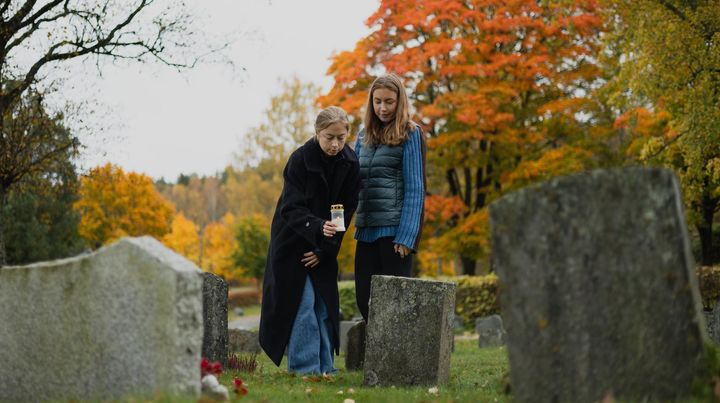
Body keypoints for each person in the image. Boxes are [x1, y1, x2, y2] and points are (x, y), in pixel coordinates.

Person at [259, 106, 360, 376]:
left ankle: (326, 367)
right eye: (329, 137)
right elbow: (290, 208)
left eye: (341, 137)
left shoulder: (350, 163)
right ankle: (306, 369)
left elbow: (346, 211)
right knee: (301, 304)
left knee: (323, 306)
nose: (336, 144)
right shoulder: (300, 160)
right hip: (291, 243)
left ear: (348, 133)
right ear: (317, 133)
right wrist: (318, 228)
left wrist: (324, 250)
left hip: (324, 245)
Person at [353, 73, 426, 321]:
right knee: (364, 300)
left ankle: (397, 360)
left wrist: (407, 236)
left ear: (400, 102)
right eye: (377, 101)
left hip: (395, 236)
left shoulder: (411, 133)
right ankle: (375, 358)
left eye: (389, 101)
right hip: (365, 230)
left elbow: (416, 188)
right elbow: (352, 181)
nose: (382, 108)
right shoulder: (362, 136)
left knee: (396, 307)